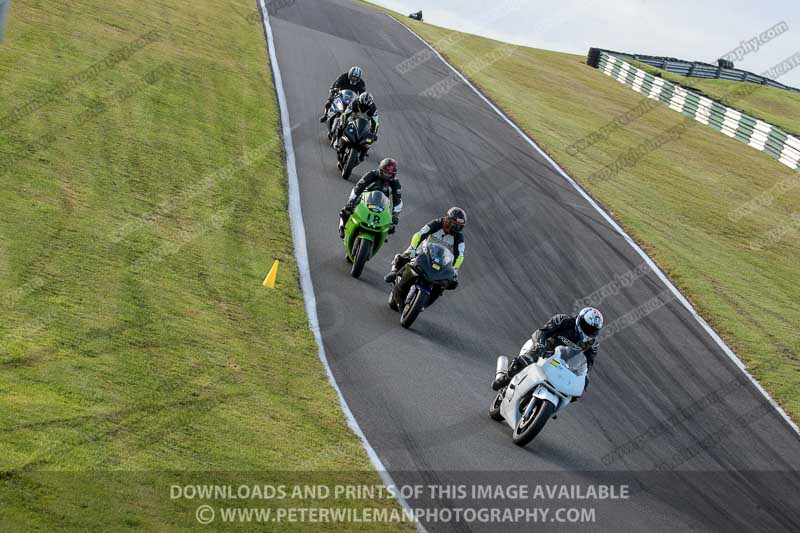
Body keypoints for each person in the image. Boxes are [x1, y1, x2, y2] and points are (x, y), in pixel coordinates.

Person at [491, 308, 604, 394]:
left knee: (569, 391)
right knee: (527, 360)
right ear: (580, 320)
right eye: (588, 327)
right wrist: (539, 345)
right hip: (543, 350)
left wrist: (585, 377)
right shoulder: (563, 320)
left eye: (593, 330)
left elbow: (588, 363)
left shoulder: (592, 344)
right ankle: (506, 377)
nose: (590, 331)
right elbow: (542, 332)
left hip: (560, 363)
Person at [384, 207, 466, 285]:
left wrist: (455, 268)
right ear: (447, 220)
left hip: (441, 259)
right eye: (454, 225)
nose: (455, 228)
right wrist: (413, 248)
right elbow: (419, 234)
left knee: (450, 281)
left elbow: (460, 255)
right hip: (423, 251)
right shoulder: (436, 224)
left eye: (459, 227)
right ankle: (394, 272)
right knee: (405, 256)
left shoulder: (458, 237)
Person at [338, 158, 402, 238]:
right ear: (380, 169)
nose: (387, 175)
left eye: (389, 174)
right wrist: (351, 200)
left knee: (391, 227)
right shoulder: (371, 174)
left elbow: (398, 200)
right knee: (346, 210)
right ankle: (342, 226)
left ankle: (380, 236)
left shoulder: (395, 183)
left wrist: (395, 215)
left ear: (393, 174)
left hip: (382, 204)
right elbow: (357, 188)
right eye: (385, 172)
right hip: (364, 199)